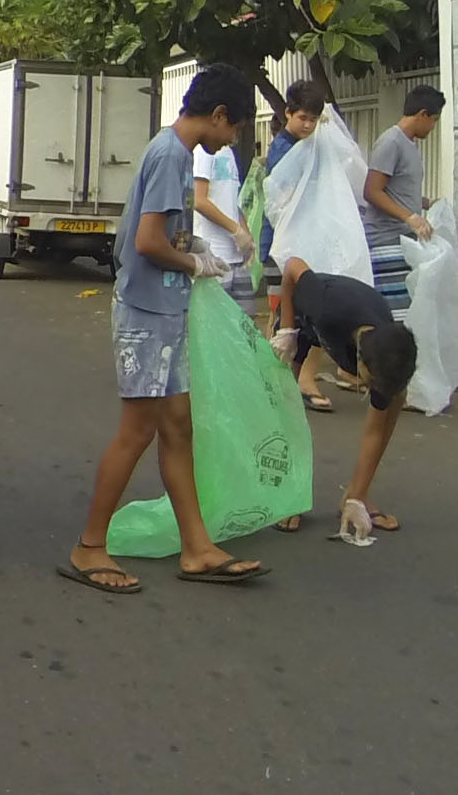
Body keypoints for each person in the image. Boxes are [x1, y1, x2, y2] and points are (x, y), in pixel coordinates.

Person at [61, 63, 264, 595]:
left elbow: (150, 233)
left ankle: (196, 548)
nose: (233, 139)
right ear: (218, 116)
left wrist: (191, 249)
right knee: (139, 431)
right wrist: (193, 262)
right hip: (147, 313)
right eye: (236, 128)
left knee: (178, 428)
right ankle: (89, 546)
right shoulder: (174, 155)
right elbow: (149, 242)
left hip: (163, 311)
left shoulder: (168, 150)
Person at [271, 257, 418, 537]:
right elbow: (292, 267)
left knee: (395, 401)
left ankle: (357, 494)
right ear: (359, 363)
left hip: (346, 330)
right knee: (284, 408)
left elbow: (375, 430)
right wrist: (286, 331)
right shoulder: (326, 305)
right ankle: (290, 496)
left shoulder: (388, 350)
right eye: (368, 382)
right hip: (303, 320)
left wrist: (355, 498)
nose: (367, 389)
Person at [263, 82, 334, 408]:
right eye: (303, 117)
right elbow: (285, 199)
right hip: (280, 247)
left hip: (296, 245)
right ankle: (281, 385)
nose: (308, 125)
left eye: (314, 119)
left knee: (292, 318)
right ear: (288, 113)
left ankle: (280, 382)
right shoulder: (285, 148)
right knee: (285, 319)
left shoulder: (305, 144)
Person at [362, 86, 444, 312]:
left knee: (409, 311)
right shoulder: (391, 142)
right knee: (396, 314)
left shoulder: (409, 144)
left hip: (403, 240)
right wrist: (410, 217)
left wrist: (428, 203)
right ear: (423, 115)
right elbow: (372, 191)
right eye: (434, 120)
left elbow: (397, 189)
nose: (433, 127)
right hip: (385, 240)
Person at [192, 117, 253, 294]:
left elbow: (233, 201)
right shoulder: (204, 151)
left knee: (243, 318)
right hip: (213, 255)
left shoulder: (228, 152)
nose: (236, 133)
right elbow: (199, 200)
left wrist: (246, 235)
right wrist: (236, 231)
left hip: (236, 255)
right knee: (216, 319)